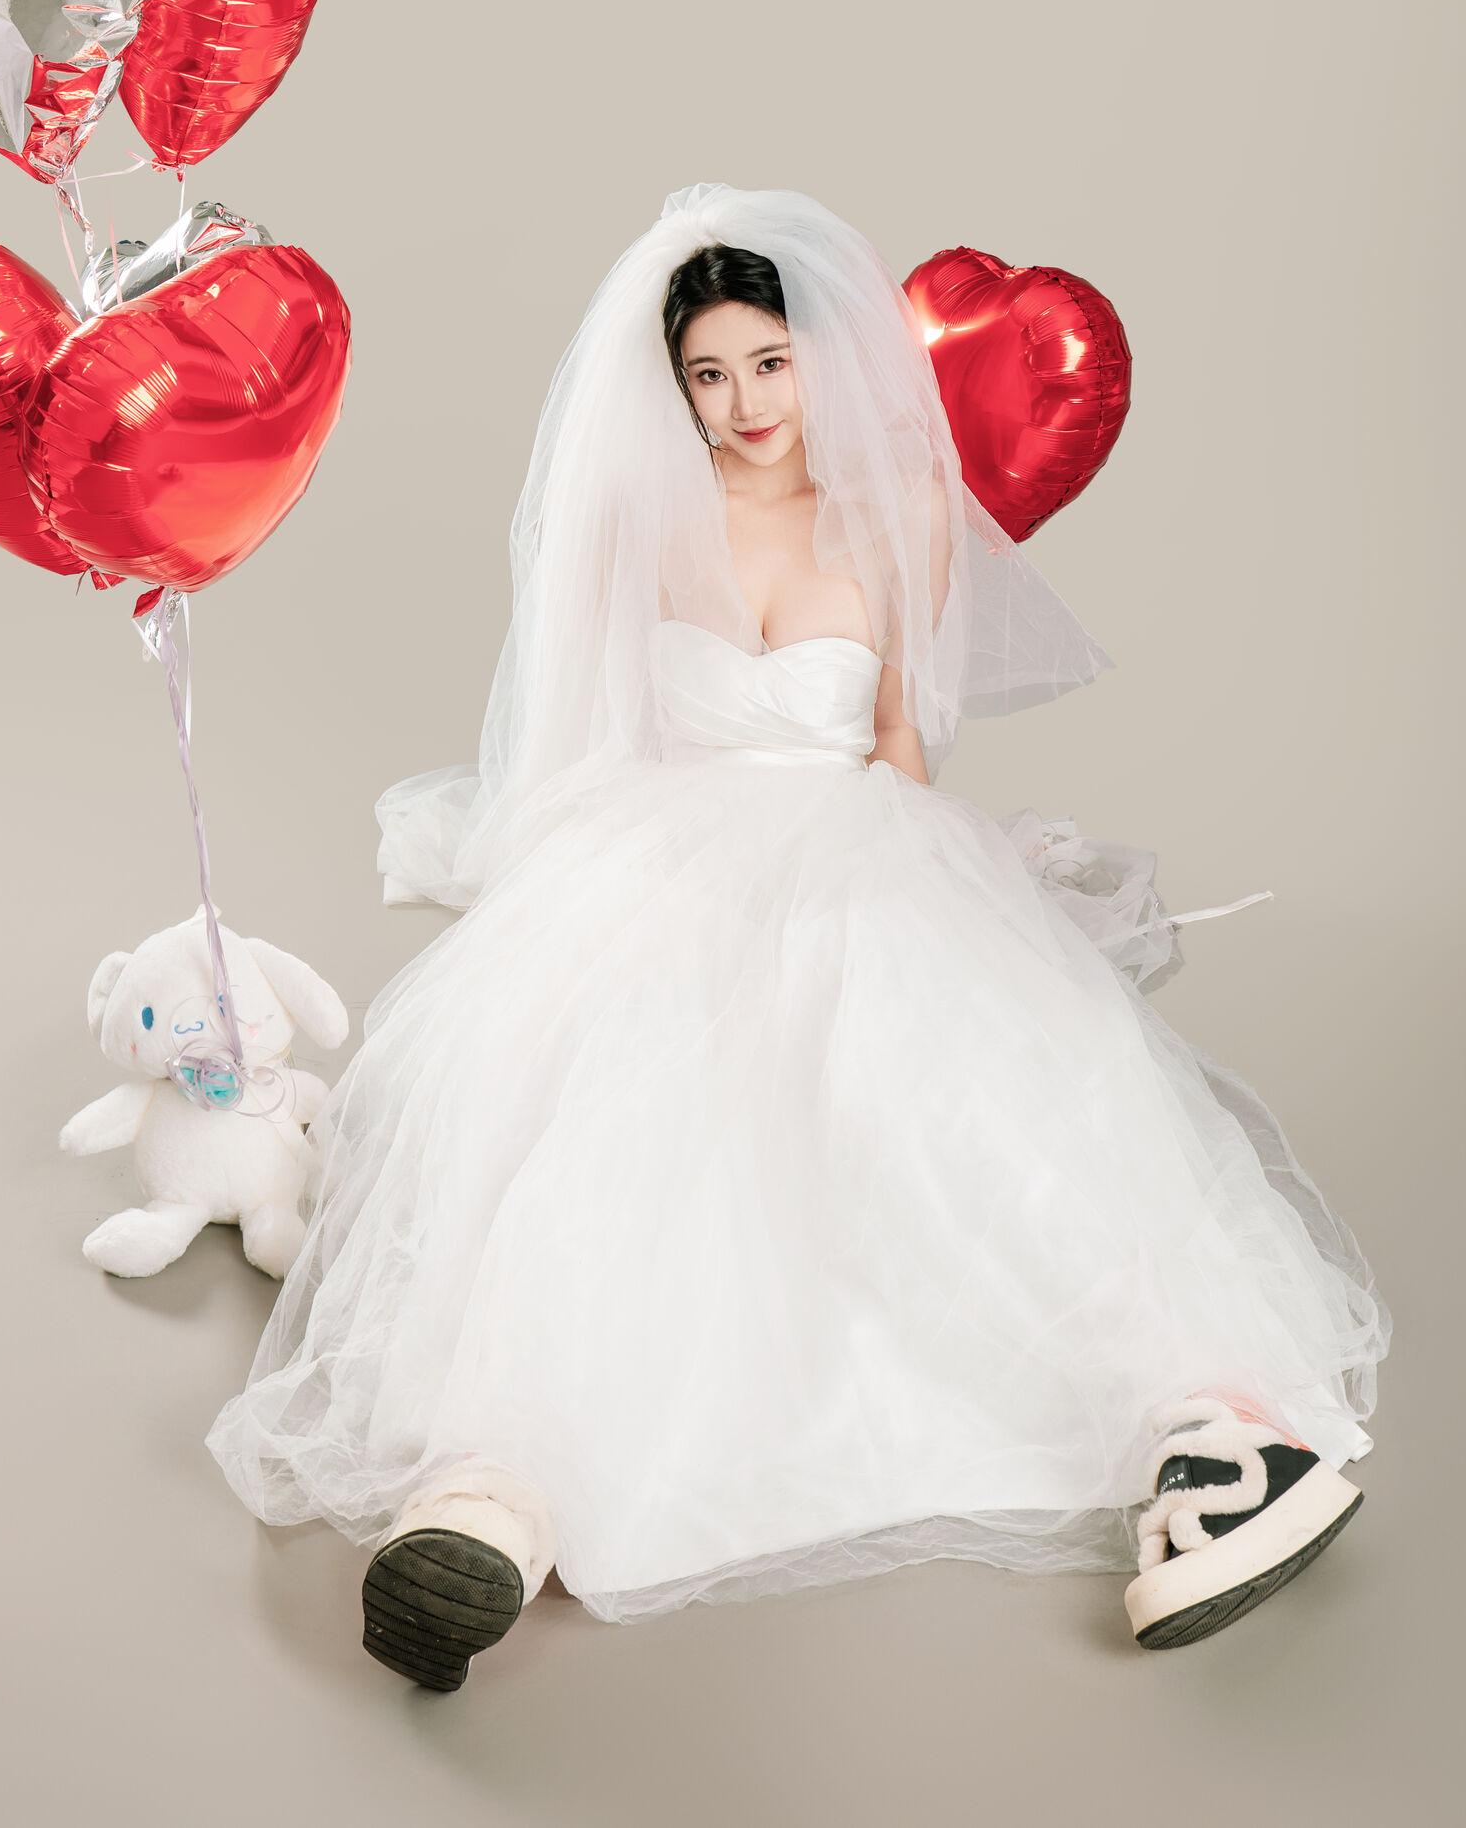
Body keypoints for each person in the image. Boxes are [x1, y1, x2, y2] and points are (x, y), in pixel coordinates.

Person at [206, 183, 1388, 1686]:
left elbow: (897, 742)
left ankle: (1216, 1436)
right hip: (662, 842)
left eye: (770, 362)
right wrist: (585, 901)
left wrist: (953, 903)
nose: (746, 401)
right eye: (709, 374)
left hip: (852, 838)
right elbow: (600, 731)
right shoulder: (639, 520)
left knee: (959, 1109)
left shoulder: (898, 520)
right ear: (674, 387)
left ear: (818, 356)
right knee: (599, 1125)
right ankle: (491, 1494)